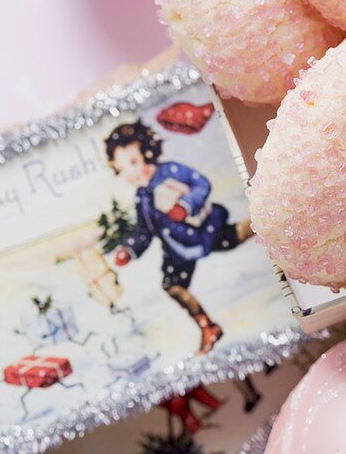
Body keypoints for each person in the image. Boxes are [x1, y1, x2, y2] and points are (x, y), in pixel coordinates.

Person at [105, 121, 253, 354]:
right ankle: (208, 326)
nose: (131, 172)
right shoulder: (142, 197)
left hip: (206, 230)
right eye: (124, 168)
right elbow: (145, 230)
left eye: (134, 162)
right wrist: (129, 249)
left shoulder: (171, 171)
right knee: (172, 285)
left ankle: (266, 221)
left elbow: (201, 184)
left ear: (147, 153)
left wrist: (185, 205)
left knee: (236, 235)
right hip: (178, 249)